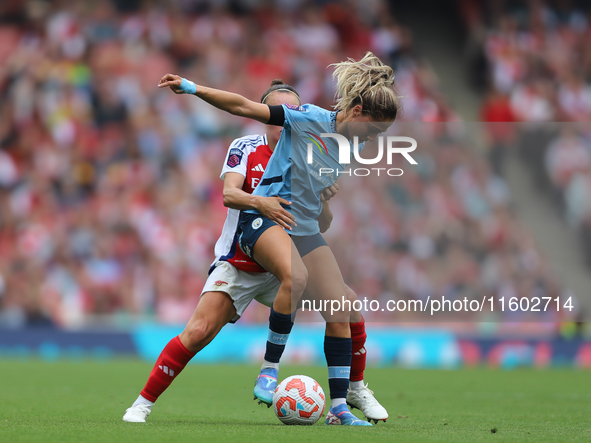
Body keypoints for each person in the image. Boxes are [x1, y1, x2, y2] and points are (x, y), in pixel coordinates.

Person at [123, 79, 387, 424]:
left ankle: (352, 391)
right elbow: (230, 195)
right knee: (199, 332)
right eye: (277, 115)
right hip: (242, 259)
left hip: (284, 266)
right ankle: (142, 403)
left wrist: (321, 198)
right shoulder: (246, 147)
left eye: (288, 113)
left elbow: (321, 224)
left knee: (346, 305)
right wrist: (261, 201)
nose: (283, 122)